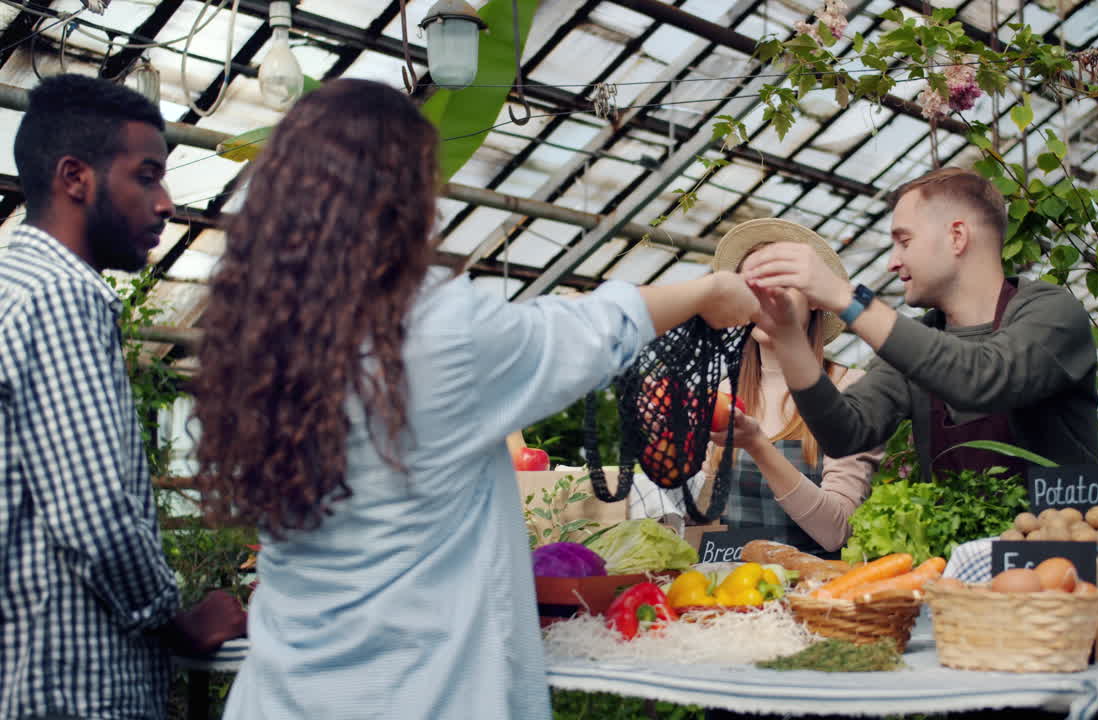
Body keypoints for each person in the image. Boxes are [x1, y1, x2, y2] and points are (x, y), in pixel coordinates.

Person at [190, 79, 759, 720]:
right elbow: (587, 331)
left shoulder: (257, 337)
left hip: (286, 693)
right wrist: (710, 290)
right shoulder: (433, 330)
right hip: (418, 695)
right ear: (400, 199)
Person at [0, 74, 246, 720]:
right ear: (75, 177)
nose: (165, 203)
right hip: (77, 692)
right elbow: (95, 512)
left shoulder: (12, 286)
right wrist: (177, 621)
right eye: (147, 176)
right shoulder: (61, 297)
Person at [741, 167, 1098, 480]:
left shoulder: (1052, 314)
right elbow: (844, 432)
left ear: (957, 237)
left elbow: (980, 378)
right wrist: (787, 336)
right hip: (957, 558)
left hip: (1061, 549)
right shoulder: (919, 340)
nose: (892, 263)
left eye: (904, 241)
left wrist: (848, 298)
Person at [693, 219, 880, 556]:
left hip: (813, 593)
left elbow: (836, 531)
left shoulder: (848, 389)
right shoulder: (724, 391)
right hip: (726, 592)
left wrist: (757, 446)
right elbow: (702, 515)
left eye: (781, 285)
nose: (766, 299)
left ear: (815, 300)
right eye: (753, 286)